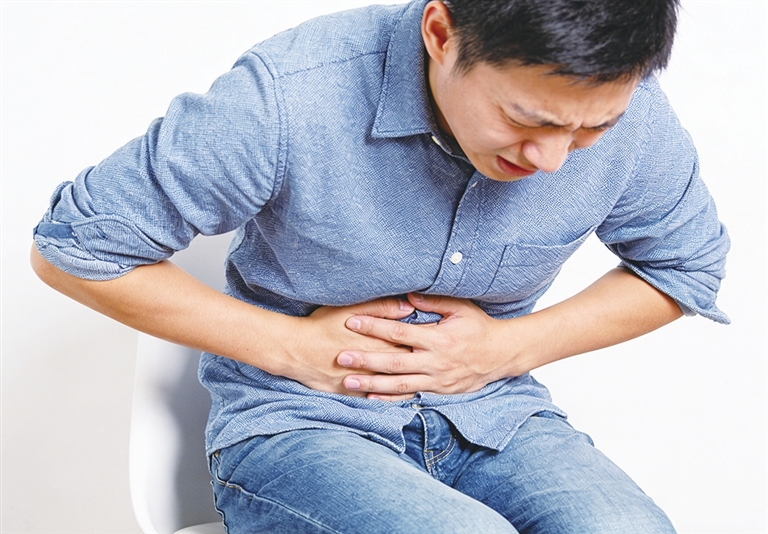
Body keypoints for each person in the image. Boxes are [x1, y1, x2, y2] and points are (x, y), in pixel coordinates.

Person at [31, 0, 729, 532]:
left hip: (493, 414)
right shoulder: (289, 95)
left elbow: (684, 268)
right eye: (526, 120)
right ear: (441, 34)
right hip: (299, 424)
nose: (551, 159)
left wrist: (506, 348)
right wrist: (290, 346)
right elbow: (72, 248)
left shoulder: (627, 110)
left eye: (591, 129)